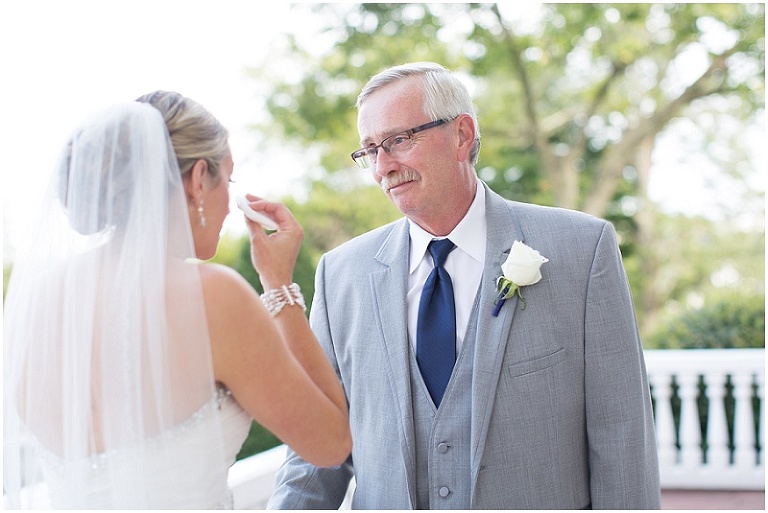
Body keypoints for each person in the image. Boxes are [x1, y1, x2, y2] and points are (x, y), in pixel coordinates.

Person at [268, 62, 661, 509]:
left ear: (462, 135)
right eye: (370, 150)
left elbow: (623, 437)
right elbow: (316, 451)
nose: (384, 166)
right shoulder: (341, 274)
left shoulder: (581, 250)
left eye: (398, 140)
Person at [3, 92, 351, 509]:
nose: (230, 204)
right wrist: (279, 286)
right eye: (229, 179)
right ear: (198, 178)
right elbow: (332, 443)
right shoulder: (212, 296)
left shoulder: (39, 299)